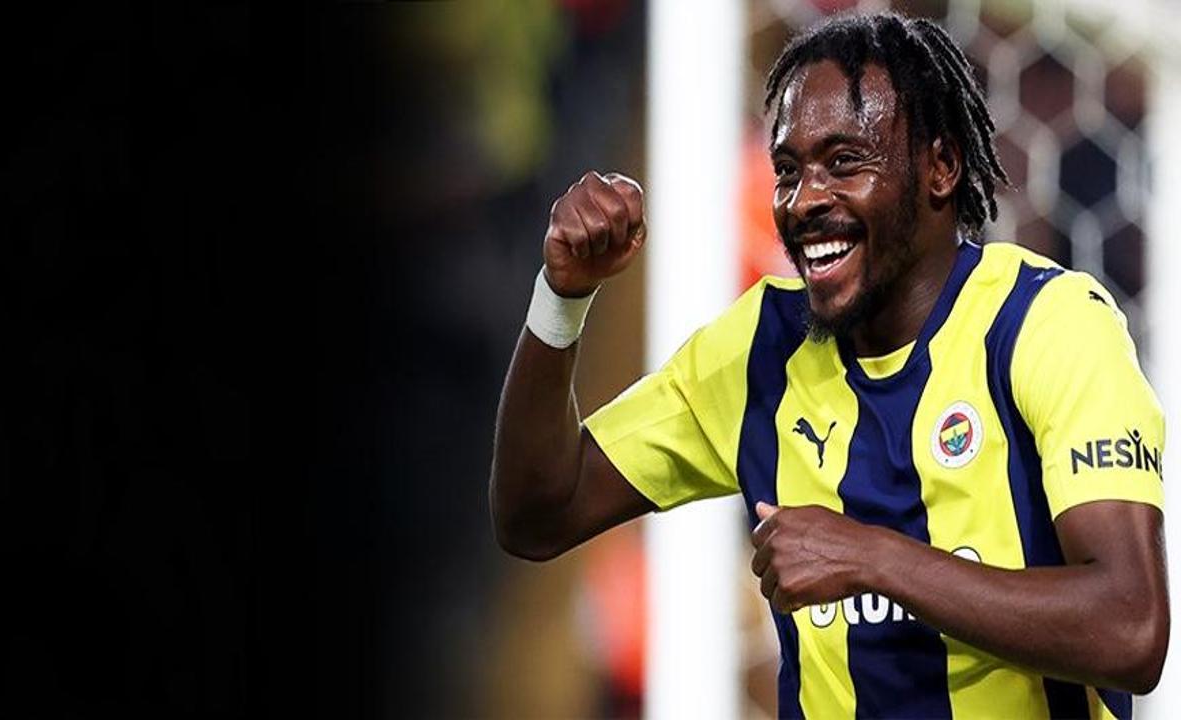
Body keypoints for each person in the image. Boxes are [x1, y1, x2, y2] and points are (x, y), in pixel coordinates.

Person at [489, 11, 1166, 719]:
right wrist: (562, 299)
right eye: (788, 170)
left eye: (844, 163)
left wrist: (872, 559)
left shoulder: (1048, 326)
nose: (805, 200)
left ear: (940, 168)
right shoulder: (761, 350)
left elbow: (1131, 628)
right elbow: (537, 514)